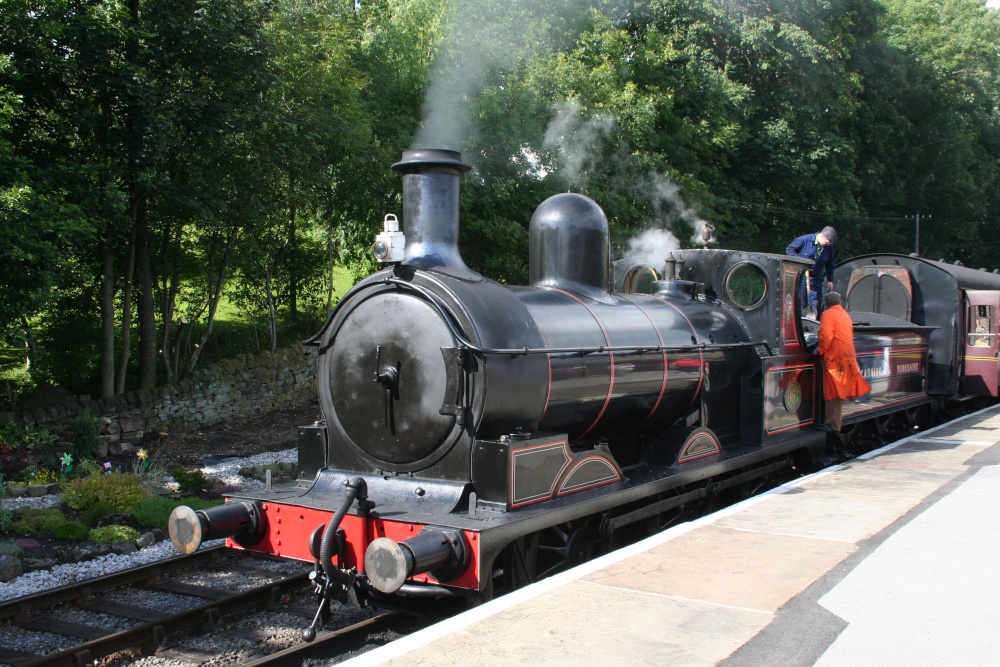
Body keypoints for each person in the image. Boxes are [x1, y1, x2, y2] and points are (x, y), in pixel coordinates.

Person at [817, 291, 871, 432]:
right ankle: (833, 423)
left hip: (835, 357)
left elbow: (826, 336)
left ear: (826, 303)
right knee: (837, 389)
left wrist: (820, 350)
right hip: (846, 356)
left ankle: (832, 424)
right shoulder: (845, 315)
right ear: (840, 302)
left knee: (833, 391)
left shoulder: (827, 314)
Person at [786, 226, 837, 317]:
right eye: (827, 242)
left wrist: (830, 279)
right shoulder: (804, 240)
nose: (828, 244)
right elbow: (789, 250)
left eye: (829, 243)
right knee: (801, 302)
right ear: (822, 236)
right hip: (801, 277)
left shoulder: (829, 247)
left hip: (816, 278)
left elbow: (830, 264)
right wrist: (800, 262)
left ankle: (815, 322)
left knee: (816, 304)